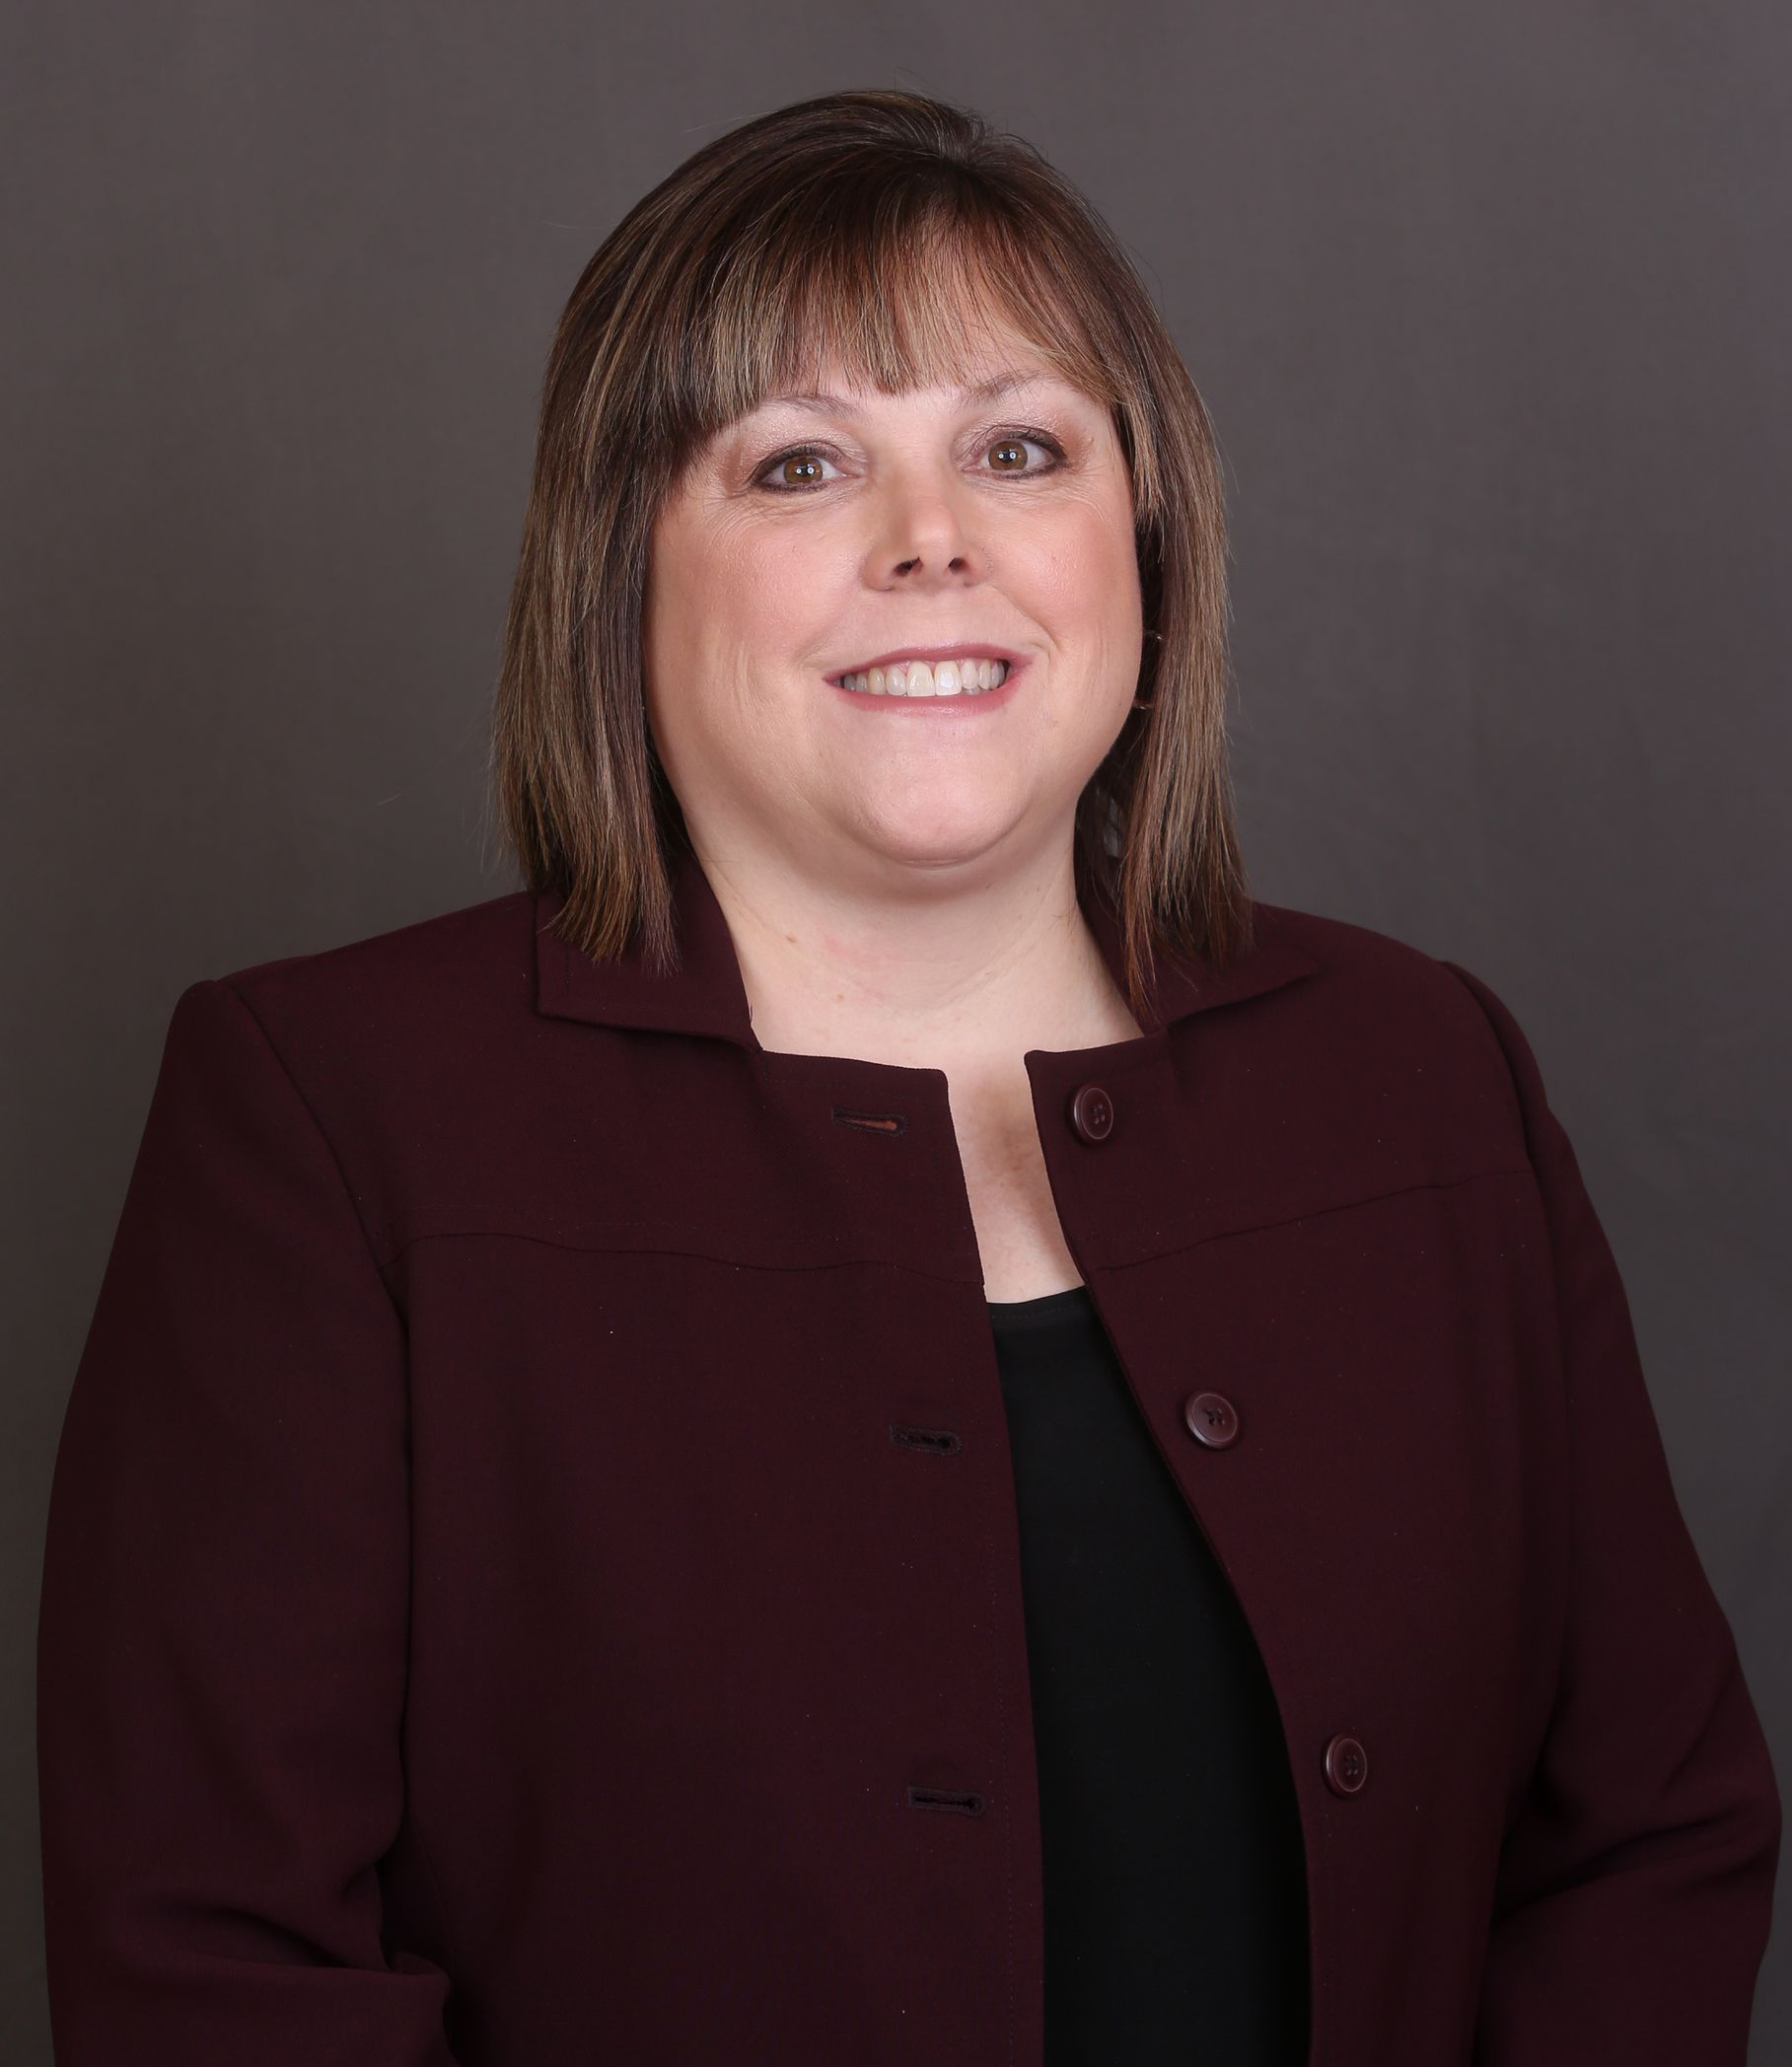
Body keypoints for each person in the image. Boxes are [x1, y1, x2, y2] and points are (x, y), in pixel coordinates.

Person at [36, 86, 1779, 2066]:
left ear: (1141, 530)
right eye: (797, 465)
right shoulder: (331, 1116)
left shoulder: (1420, 1073)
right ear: (624, 569)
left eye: (1015, 447)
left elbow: (1644, 1834)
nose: (930, 541)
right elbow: (214, 1969)